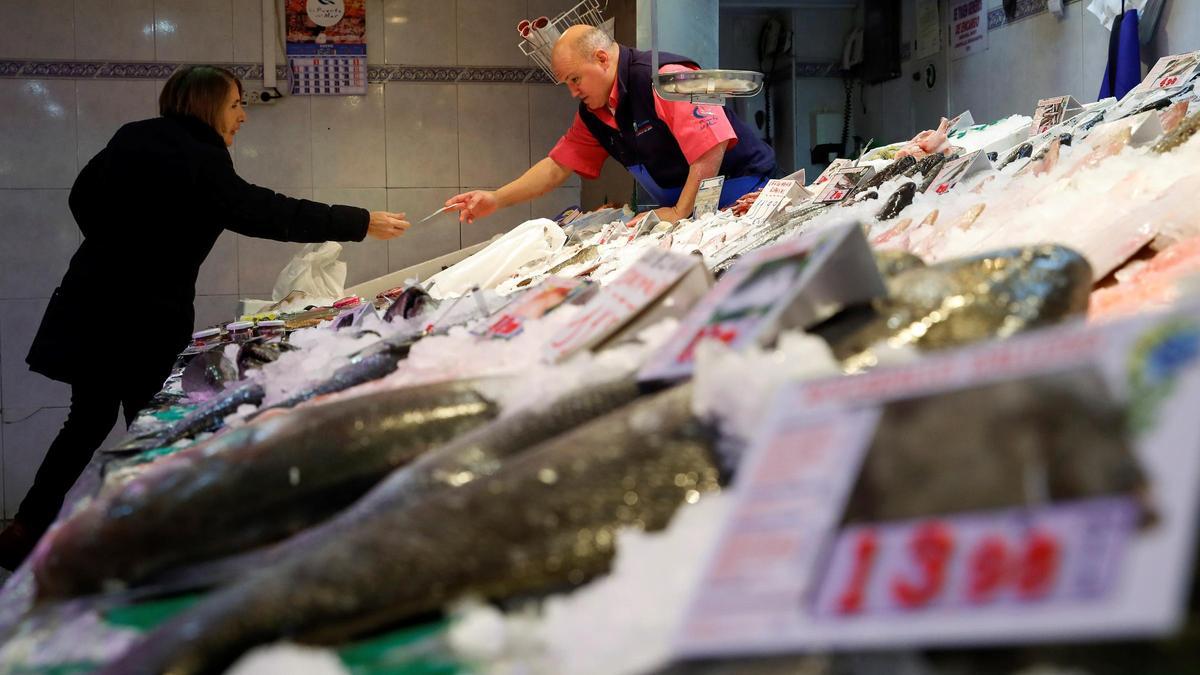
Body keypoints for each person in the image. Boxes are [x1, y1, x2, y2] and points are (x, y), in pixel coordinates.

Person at [0, 65, 411, 570]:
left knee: (88, 420)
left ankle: (27, 529)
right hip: (142, 317)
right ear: (208, 103)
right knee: (152, 427)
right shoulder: (200, 155)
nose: (242, 116)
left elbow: (81, 197)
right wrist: (359, 221)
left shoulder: (134, 137)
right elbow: (262, 211)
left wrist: (119, 244)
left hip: (90, 302)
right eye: (236, 104)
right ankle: (154, 542)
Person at [446, 25, 777, 227]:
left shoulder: (663, 76)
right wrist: (496, 199)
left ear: (602, 59)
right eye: (567, 84)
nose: (573, 91)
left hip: (743, 193)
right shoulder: (594, 111)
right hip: (692, 211)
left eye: (575, 79)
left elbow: (711, 143)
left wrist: (679, 212)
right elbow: (555, 168)